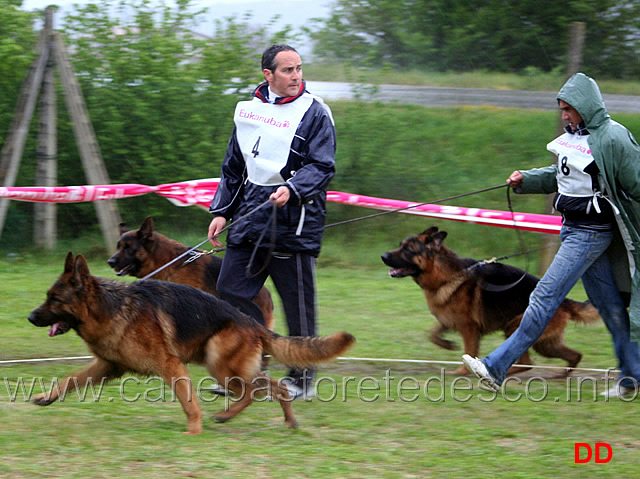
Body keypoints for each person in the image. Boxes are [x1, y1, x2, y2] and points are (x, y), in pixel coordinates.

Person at [463, 72, 640, 399]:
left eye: (569, 109)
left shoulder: (614, 138)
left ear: (586, 107)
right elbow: (563, 176)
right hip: (572, 229)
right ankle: (633, 377)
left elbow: (637, 184)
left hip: (589, 235)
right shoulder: (574, 137)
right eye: (561, 109)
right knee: (611, 308)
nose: (564, 116)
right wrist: (526, 179)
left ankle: (496, 366)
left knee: (544, 296)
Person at [207, 44, 336, 400]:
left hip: (293, 219)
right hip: (250, 216)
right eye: (287, 70)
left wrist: (293, 189)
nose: (296, 76)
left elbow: (322, 166)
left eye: (298, 69)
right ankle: (247, 365)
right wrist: (221, 211)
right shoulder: (249, 111)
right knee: (230, 291)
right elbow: (234, 168)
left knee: (297, 305)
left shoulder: (316, 113)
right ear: (268, 75)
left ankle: (302, 379)